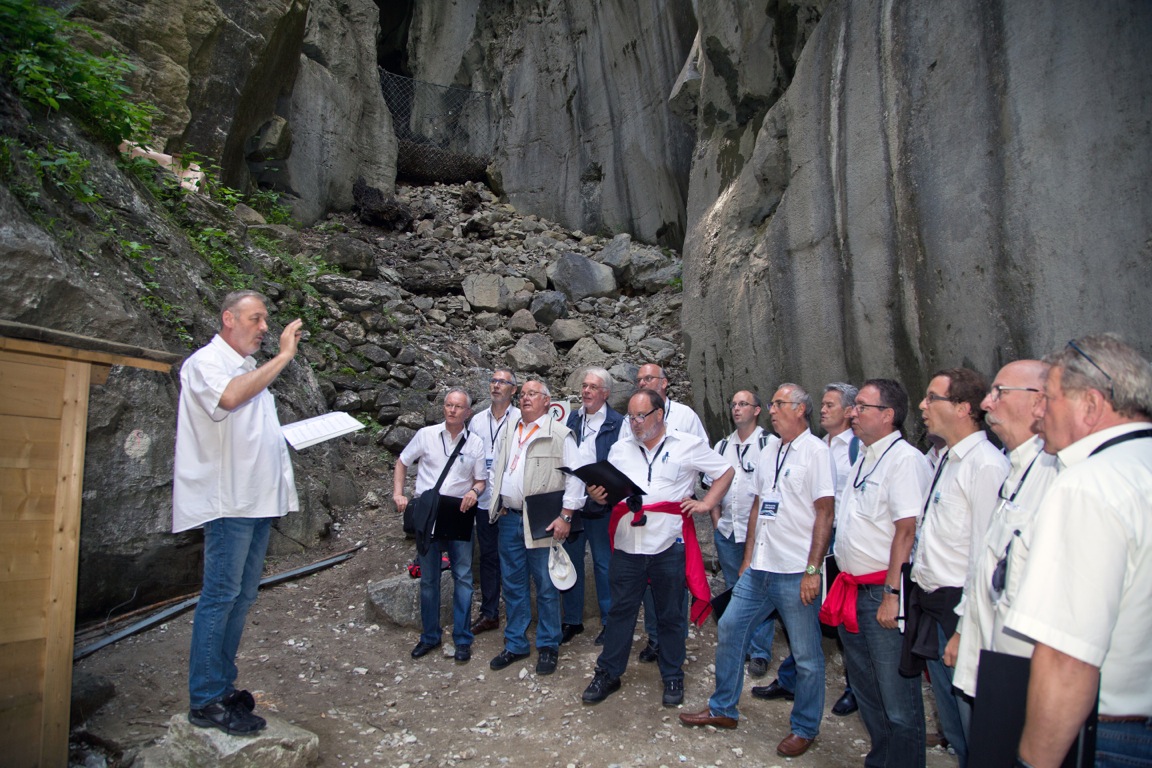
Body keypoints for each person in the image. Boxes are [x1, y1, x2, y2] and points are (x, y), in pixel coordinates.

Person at [1007, 335, 1152, 768]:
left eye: (1048, 399)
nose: (1038, 412)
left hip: (1113, 737)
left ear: (1090, 404)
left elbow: (1067, 659)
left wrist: (1034, 762)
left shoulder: (1088, 485)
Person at [173, 290, 303, 735]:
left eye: (265, 320)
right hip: (228, 502)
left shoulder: (246, 367)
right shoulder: (206, 363)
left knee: (243, 596)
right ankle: (205, 698)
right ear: (228, 319)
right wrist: (284, 356)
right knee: (221, 596)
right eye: (256, 319)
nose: (264, 328)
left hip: (255, 501)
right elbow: (228, 399)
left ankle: (222, 686)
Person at [680, 384, 834, 758]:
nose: (773, 409)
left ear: (801, 409)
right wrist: (748, 558)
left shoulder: (816, 452)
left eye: (779, 404)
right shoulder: (770, 451)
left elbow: (825, 514)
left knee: (807, 654)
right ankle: (723, 708)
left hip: (795, 571)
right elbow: (757, 507)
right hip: (761, 567)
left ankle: (805, 727)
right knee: (731, 628)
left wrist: (813, 569)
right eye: (772, 404)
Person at [581, 389, 733, 707]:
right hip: (627, 546)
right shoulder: (620, 450)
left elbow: (725, 471)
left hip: (668, 545)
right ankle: (608, 673)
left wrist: (707, 503)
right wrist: (598, 495)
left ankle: (673, 674)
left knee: (671, 614)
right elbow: (610, 493)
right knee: (620, 612)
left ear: (659, 414)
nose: (635, 422)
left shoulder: (687, 444)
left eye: (641, 415)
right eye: (631, 416)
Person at [819, 379, 931, 768]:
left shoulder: (905, 461)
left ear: (888, 415)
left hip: (882, 595)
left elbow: (907, 531)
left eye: (862, 406)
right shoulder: (864, 456)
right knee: (867, 691)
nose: (853, 412)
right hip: (853, 592)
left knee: (898, 701)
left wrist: (892, 595)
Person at [904, 368, 1008, 767]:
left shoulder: (985, 466)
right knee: (951, 719)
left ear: (963, 408)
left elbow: (986, 555)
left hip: (959, 611)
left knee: (973, 724)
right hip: (933, 604)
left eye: (933, 398)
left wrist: (965, 630)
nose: (922, 405)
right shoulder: (947, 459)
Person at [952, 360, 1058, 701]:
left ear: (1039, 400)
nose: (986, 403)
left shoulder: (1058, 477)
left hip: (1023, 673)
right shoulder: (1015, 467)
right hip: (989, 655)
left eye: (999, 392)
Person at [759, 383, 862, 708]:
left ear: (849, 411)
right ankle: (791, 679)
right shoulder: (813, 445)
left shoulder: (856, 448)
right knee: (808, 618)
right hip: (814, 539)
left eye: (831, 404)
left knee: (844, 618)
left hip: (840, 539)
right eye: (823, 403)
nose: (824, 409)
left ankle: (856, 689)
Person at [487, 378, 584, 676]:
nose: (526, 398)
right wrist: (498, 498)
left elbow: (576, 478)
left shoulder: (560, 434)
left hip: (543, 522)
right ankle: (516, 643)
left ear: (547, 401)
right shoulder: (508, 430)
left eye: (533, 394)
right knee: (513, 584)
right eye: (524, 394)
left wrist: (566, 516)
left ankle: (548, 645)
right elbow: (497, 468)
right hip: (509, 519)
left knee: (546, 585)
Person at [393, 388, 487, 663]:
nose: (452, 410)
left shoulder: (475, 443)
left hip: (459, 512)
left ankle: (462, 639)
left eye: (458, 406)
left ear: (467, 412)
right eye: (448, 405)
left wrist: (475, 492)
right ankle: (430, 636)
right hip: (429, 512)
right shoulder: (426, 435)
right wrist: (398, 493)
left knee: (464, 578)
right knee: (429, 579)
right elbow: (402, 461)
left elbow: (480, 480)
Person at [631, 363, 709, 662]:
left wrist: (704, 500)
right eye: (638, 379)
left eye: (648, 378)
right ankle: (654, 638)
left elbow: (706, 458)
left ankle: (674, 639)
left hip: (675, 515)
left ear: (664, 383)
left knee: (674, 579)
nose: (642, 382)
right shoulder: (632, 419)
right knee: (648, 579)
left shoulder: (685, 416)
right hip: (642, 515)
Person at [708, 390, 777, 677]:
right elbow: (712, 485)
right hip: (727, 530)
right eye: (734, 404)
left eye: (743, 404)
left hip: (759, 534)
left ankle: (760, 651)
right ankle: (740, 645)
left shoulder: (769, 444)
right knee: (734, 588)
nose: (737, 409)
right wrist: (716, 521)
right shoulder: (722, 445)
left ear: (757, 410)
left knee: (760, 590)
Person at [562, 367, 625, 645]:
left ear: (606, 393)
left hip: (602, 505)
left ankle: (610, 622)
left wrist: (605, 492)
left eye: (592, 387)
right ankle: (572, 620)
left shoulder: (618, 423)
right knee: (571, 562)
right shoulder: (572, 418)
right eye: (584, 386)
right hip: (573, 504)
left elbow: (623, 464)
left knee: (604, 564)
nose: (585, 391)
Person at [469, 369, 520, 635]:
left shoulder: (521, 418)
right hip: (483, 500)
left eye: (502, 382)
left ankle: (517, 613)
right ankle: (489, 613)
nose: (496, 385)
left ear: (514, 389)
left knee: (514, 559)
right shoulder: (477, 421)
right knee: (488, 557)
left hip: (509, 502)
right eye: (493, 381)